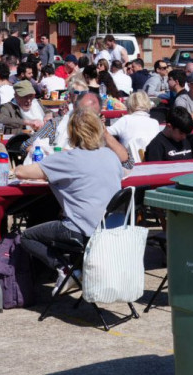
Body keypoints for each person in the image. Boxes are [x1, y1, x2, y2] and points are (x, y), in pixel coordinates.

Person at [13, 109, 123, 287]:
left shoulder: (67, 158)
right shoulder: (111, 156)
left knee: (27, 237)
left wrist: (17, 167)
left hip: (83, 229)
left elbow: (21, 173)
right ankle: (76, 270)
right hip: (113, 228)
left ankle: (65, 269)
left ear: (71, 132)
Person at [107, 91, 161, 164]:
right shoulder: (155, 123)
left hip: (128, 164)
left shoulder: (125, 120)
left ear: (130, 105)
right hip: (151, 162)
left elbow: (105, 133)